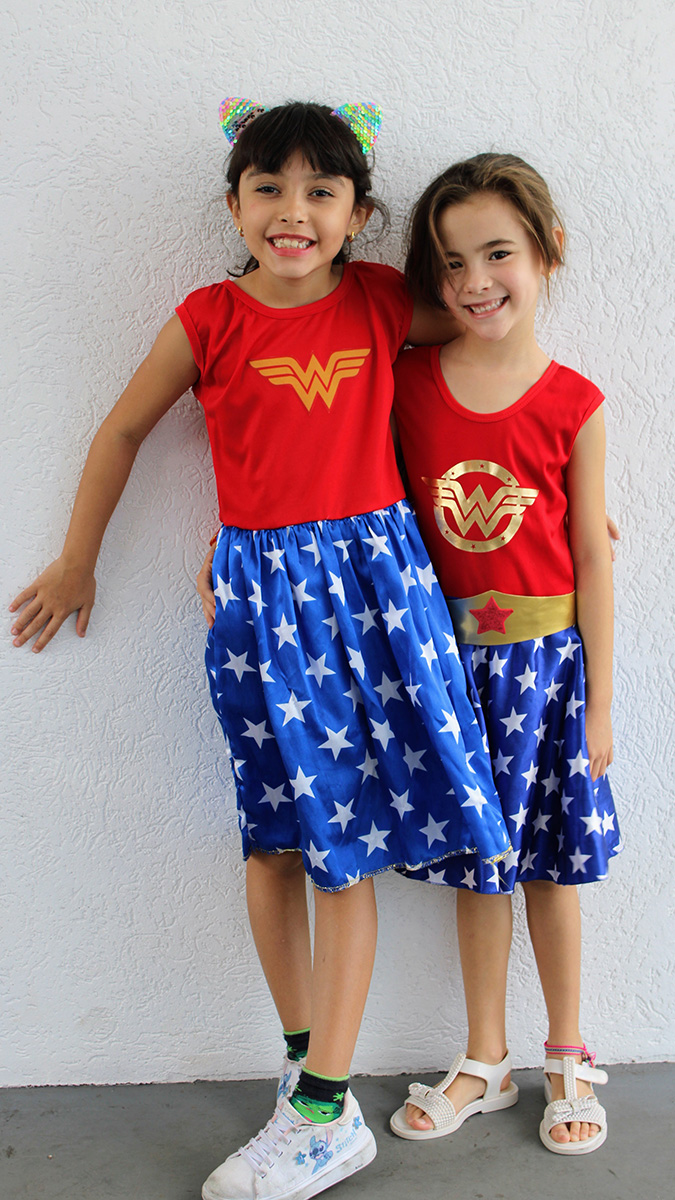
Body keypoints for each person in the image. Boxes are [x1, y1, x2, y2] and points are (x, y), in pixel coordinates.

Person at [9, 102, 512, 1200]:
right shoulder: (208, 319)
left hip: (376, 596)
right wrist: (78, 561)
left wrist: (542, 487)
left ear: (359, 214)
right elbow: (123, 429)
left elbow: (484, 349)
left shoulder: (380, 299)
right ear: (234, 204)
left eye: (321, 191)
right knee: (275, 840)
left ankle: (327, 1110)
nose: (294, 211)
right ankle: (305, 1069)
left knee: (343, 847)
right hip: (261, 607)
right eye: (269, 188)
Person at [387, 152, 621, 1155]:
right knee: (479, 868)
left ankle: (567, 1050)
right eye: (451, 264)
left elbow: (592, 558)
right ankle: (485, 1058)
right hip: (449, 671)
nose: (475, 282)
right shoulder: (408, 384)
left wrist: (600, 703)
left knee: (550, 870)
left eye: (496, 254)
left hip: (550, 671)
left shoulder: (576, 402)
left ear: (546, 252)